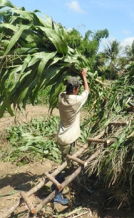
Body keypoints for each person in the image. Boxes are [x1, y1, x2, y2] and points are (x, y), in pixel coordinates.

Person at [53, 68, 90, 205]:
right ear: (74, 89)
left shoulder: (61, 97)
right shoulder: (76, 101)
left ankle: (64, 184)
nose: (79, 89)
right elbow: (87, 91)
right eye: (78, 87)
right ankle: (56, 194)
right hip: (69, 139)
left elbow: (68, 91)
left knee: (65, 164)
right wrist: (84, 77)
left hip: (62, 137)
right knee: (65, 167)